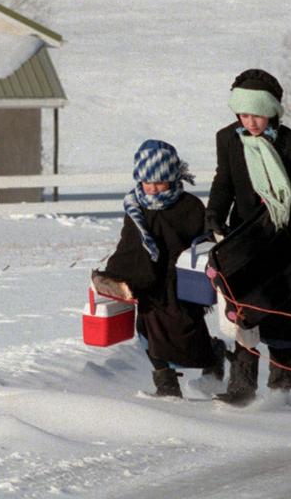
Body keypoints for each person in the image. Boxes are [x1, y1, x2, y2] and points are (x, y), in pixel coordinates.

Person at [206, 69, 291, 406]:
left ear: (272, 111)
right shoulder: (228, 139)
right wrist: (213, 217)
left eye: (258, 113)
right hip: (246, 239)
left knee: (284, 316)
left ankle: (280, 388)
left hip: (286, 240)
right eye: (244, 113)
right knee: (244, 312)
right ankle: (242, 388)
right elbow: (223, 182)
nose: (251, 121)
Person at [96, 139, 226, 398]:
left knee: (187, 332)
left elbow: (202, 242)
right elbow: (129, 245)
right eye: (148, 182)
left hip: (182, 285)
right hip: (147, 284)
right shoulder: (136, 207)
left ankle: (213, 358)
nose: (153, 189)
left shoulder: (189, 206)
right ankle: (166, 384)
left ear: (173, 178)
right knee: (148, 333)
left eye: (160, 182)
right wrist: (114, 275)